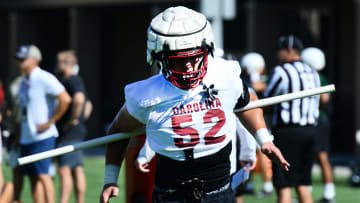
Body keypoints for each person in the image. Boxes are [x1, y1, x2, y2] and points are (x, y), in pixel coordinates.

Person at [100, 6, 289, 203]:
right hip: (170, 193)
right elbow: (117, 132)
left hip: (219, 189)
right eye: (179, 61)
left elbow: (247, 103)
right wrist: (110, 179)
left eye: (195, 57)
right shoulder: (146, 95)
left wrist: (264, 139)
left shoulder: (225, 76)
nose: (189, 67)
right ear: (160, 58)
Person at [264, 35, 321, 203]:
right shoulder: (312, 72)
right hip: (310, 130)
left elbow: (267, 100)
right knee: (303, 183)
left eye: (279, 50)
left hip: (287, 131)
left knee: (284, 185)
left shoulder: (281, 71)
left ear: (288, 50)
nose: (277, 54)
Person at [16, 44, 71, 203]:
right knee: (33, 178)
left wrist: (50, 122)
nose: (19, 62)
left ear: (34, 60)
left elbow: (65, 99)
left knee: (43, 175)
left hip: (43, 137)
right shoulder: (23, 82)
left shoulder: (44, 77)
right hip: (26, 137)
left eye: (23, 59)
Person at [55, 50, 90, 203]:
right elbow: (89, 105)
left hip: (68, 132)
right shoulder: (76, 80)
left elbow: (80, 100)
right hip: (77, 131)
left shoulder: (71, 79)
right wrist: (81, 120)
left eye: (58, 62)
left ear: (64, 63)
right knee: (77, 168)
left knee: (64, 169)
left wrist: (73, 120)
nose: (56, 66)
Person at [301, 47, 335, 202]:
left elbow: (324, 99)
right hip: (315, 121)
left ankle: (328, 192)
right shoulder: (318, 76)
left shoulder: (316, 78)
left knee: (320, 156)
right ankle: (315, 191)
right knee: (314, 156)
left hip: (316, 121)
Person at [241, 52, 274, 197]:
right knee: (259, 151)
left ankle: (257, 184)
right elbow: (257, 85)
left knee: (255, 151)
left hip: (252, 120)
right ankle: (262, 184)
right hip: (255, 121)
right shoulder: (252, 79)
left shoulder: (246, 78)